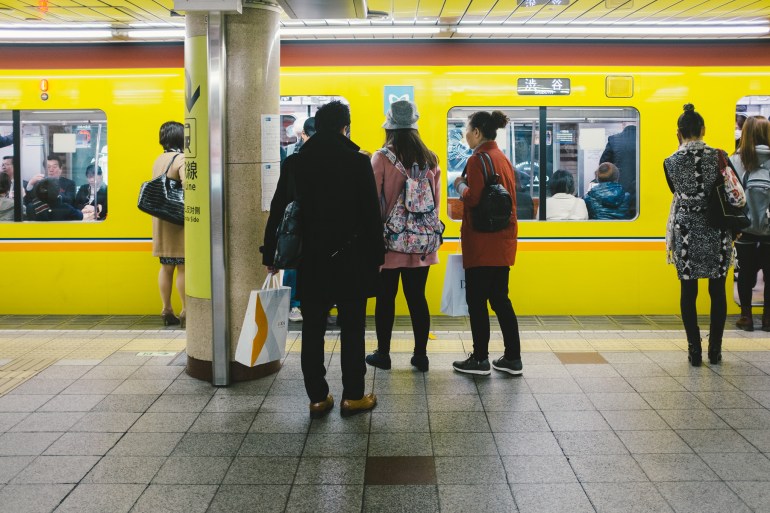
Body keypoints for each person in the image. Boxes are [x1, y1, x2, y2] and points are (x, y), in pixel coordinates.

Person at [262, 100, 384, 418]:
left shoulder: (296, 163)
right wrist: (377, 256)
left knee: (313, 328)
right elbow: (372, 216)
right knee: (353, 328)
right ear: (346, 127)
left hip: (311, 260)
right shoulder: (359, 163)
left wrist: (269, 252)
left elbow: (279, 211)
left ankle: (318, 397)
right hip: (351, 259)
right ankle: (353, 397)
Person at [664, 103, 742, 366]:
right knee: (717, 289)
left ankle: (694, 351)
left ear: (679, 133)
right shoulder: (719, 155)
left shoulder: (670, 162)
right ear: (703, 129)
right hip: (717, 227)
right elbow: (734, 194)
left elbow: (676, 193)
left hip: (685, 230)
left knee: (688, 290)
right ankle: (715, 351)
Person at [365, 100, 440, 373]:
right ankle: (420, 356)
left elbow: (373, 203)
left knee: (386, 298)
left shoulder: (382, 158)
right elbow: (436, 204)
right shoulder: (431, 159)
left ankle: (383, 354)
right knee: (417, 298)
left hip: (390, 243)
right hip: (421, 244)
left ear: (390, 128)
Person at [452, 110, 523, 376]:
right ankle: (513, 357)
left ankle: (480, 358)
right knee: (500, 300)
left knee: (477, 301)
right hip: (503, 241)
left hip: (482, 243)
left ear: (478, 132)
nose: (465, 135)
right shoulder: (502, 158)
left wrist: (459, 185)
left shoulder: (478, 159)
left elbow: (473, 199)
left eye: (467, 130)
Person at [730, 115, 770, 331]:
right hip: (769, 230)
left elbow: (730, 195)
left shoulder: (736, 160)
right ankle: (768, 318)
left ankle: (746, 316)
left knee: (745, 273)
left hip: (744, 229)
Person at [151, 121, 186, 327]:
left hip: (161, 219)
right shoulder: (181, 158)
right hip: (177, 220)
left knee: (166, 267)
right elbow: (188, 184)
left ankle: (166, 309)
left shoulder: (159, 159)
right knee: (183, 266)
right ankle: (185, 310)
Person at [284, 116, 316, 323]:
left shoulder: (292, 157)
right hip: (306, 220)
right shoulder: (293, 157)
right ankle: (297, 304)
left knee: (293, 261)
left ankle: (296, 304)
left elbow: (282, 198)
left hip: (297, 219)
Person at [600, 123, 637, 217]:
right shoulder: (648, 140)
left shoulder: (613, 140)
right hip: (644, 195)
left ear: (623, 125)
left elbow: (603, 166)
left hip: (619, 195)